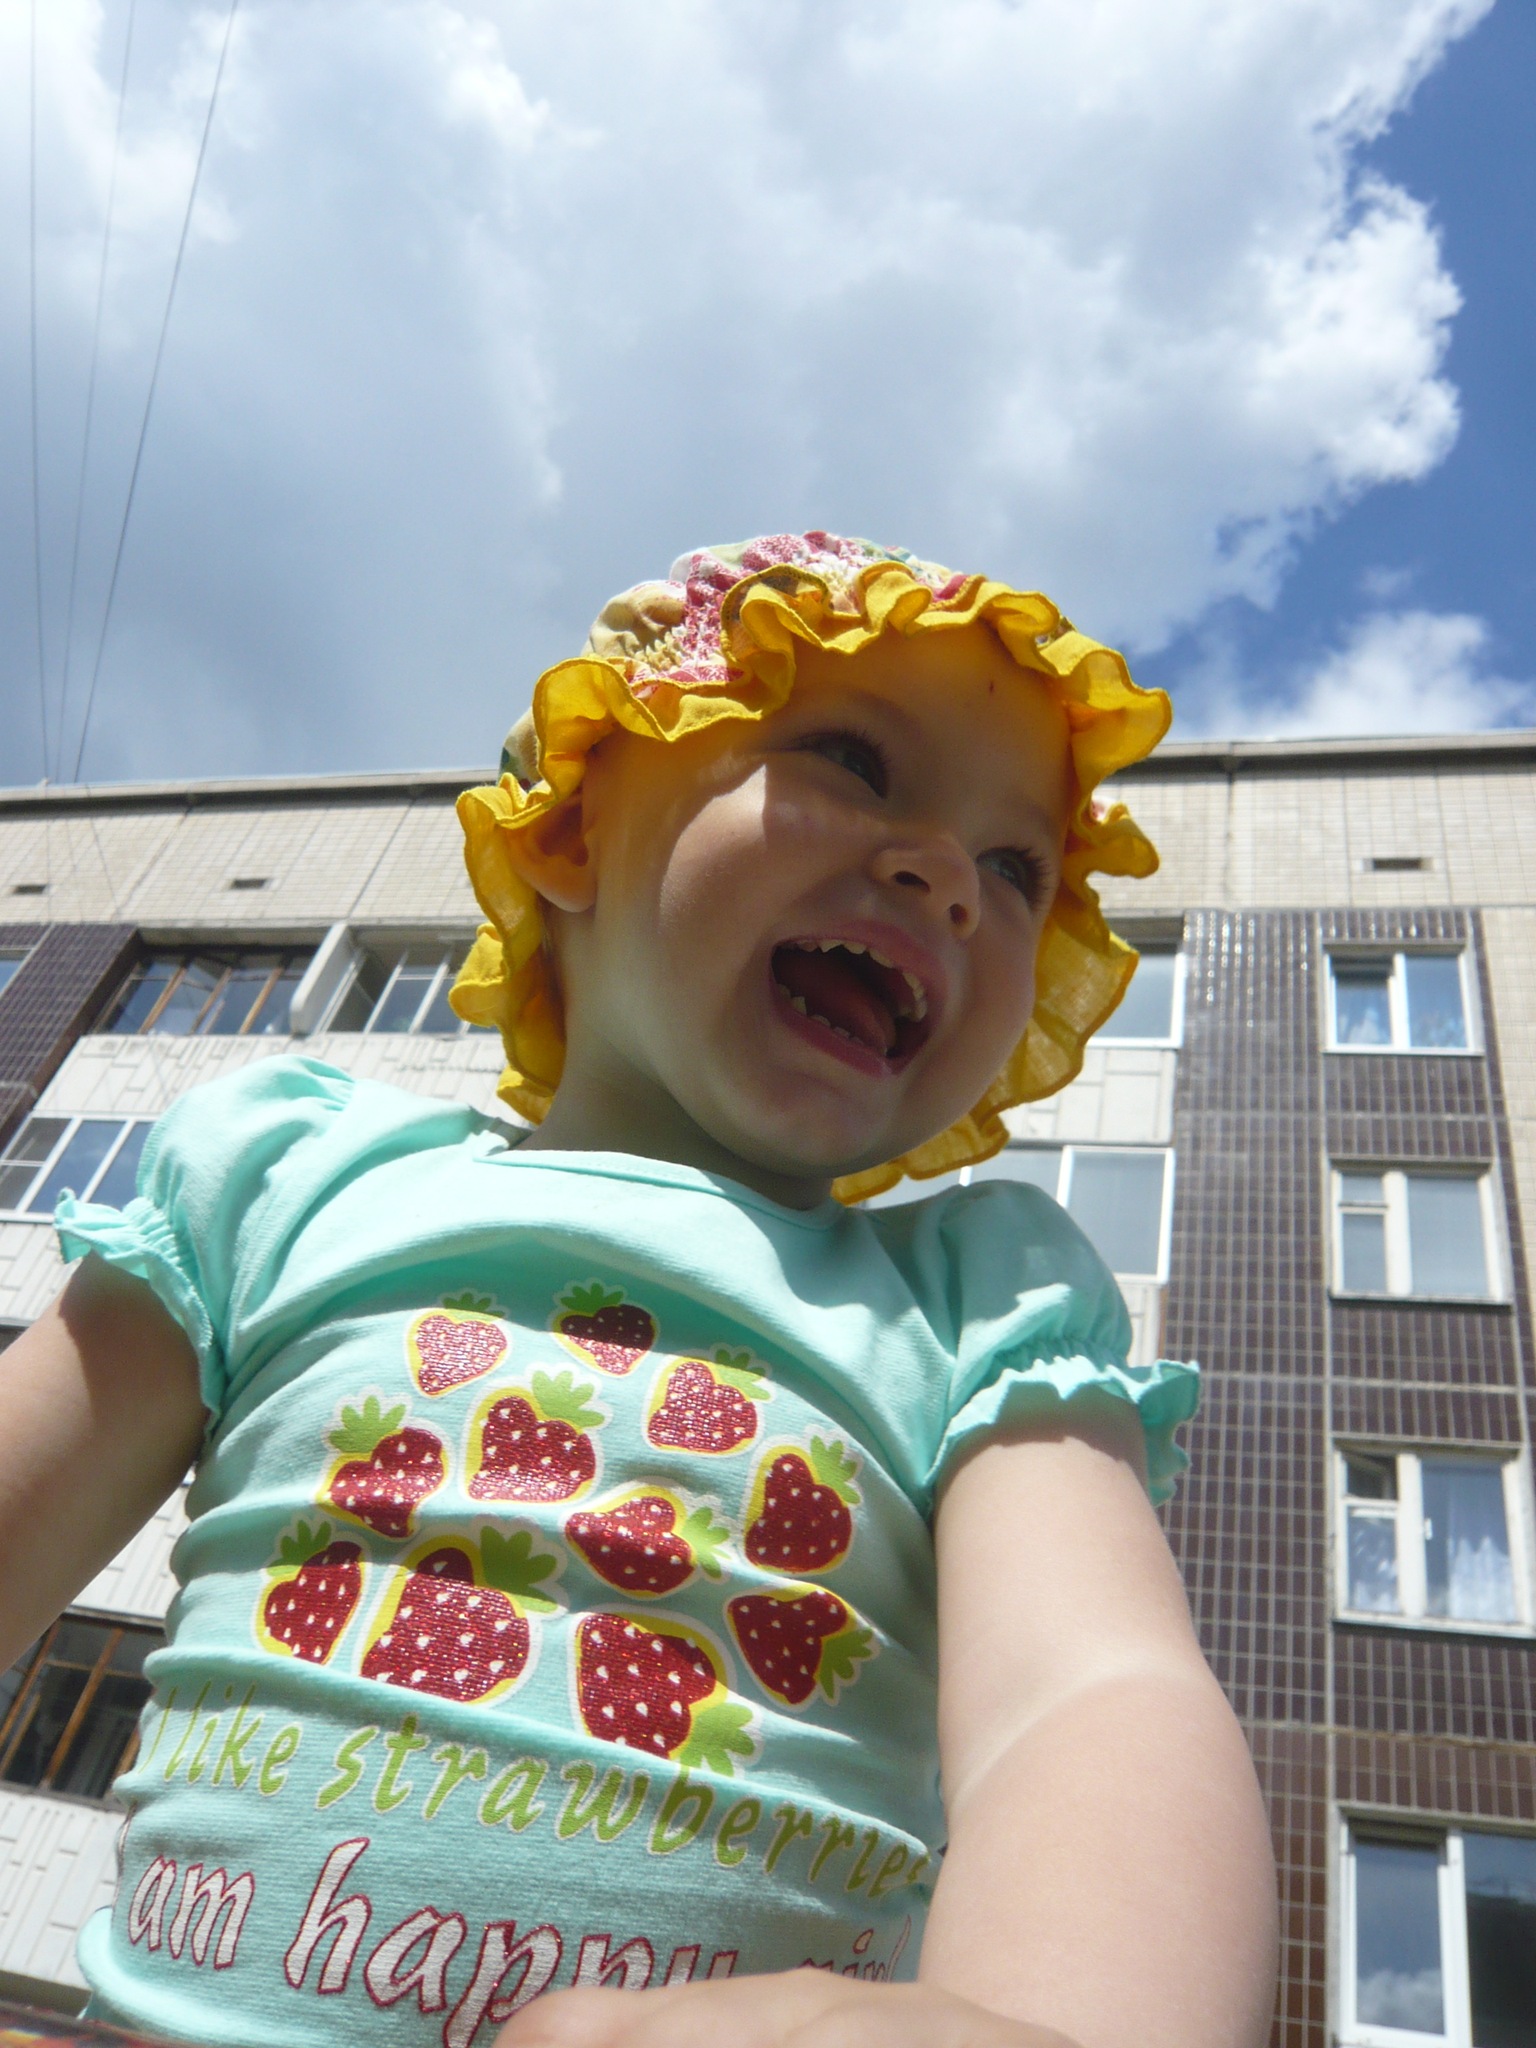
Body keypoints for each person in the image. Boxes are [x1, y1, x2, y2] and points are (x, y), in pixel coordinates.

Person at [0, 534, 1277, 2048]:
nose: (950, 878)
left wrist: (1049, 2028)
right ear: (571, 824)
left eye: (1018, 870)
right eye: (854, 761)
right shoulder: (296, 1178)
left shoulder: (976, 1305)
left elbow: (1090, 1691)